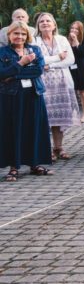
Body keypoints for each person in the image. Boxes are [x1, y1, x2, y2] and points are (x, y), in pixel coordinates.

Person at [1, 21, 53, 181]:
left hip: (34, 94)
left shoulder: (35, 49)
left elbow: (38, 70)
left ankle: (35, 164)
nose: (20, 37)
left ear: (27, 36)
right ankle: (14, 167)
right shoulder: (2, 52)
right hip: (11, 97)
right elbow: (2, 74)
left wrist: (13, 75)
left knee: (34, 128)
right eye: (16, 33)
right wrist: (21, 63)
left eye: (23, 34)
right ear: (9, 35)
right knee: (13, 130)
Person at [35, 13, 79, 160]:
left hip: (62, 83)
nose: (45, 23)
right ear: (38, 26)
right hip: (44, 85)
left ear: (54, 25)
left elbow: (70, 59)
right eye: (42, 21)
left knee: (60, 118)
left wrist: (50, 65)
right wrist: (56, 58)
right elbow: (38, 61)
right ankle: (47, 149)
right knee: (45, 118)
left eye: (48, 21)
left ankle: (58, 147)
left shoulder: (62, 39)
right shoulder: (34, 41)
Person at [68, 21, 84, 123]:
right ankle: (72, 114)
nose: (74, 30)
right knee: (70, 92)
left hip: (81, 68)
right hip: (69, 68)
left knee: (83, 92)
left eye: (76, 29)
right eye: (72, 28)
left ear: (80, 30)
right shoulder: (65, 40)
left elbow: (82, 53)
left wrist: (76, 41)